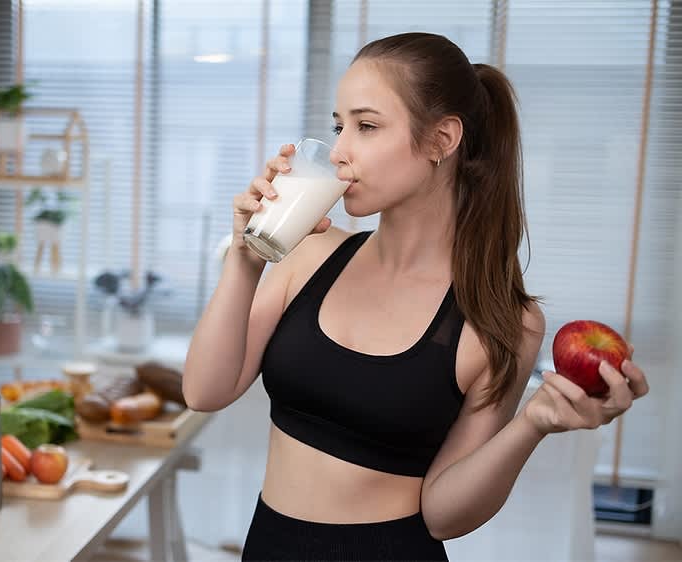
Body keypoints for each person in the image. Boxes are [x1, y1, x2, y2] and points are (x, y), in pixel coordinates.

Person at [182, 32, 649, 562]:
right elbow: (204, 391)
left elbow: (443, 515)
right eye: (339, 126)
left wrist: (533, 425)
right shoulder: (309, 255)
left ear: (441, 139)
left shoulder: (502, 321)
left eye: (366, 126)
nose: (338, 152)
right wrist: (248, 256)